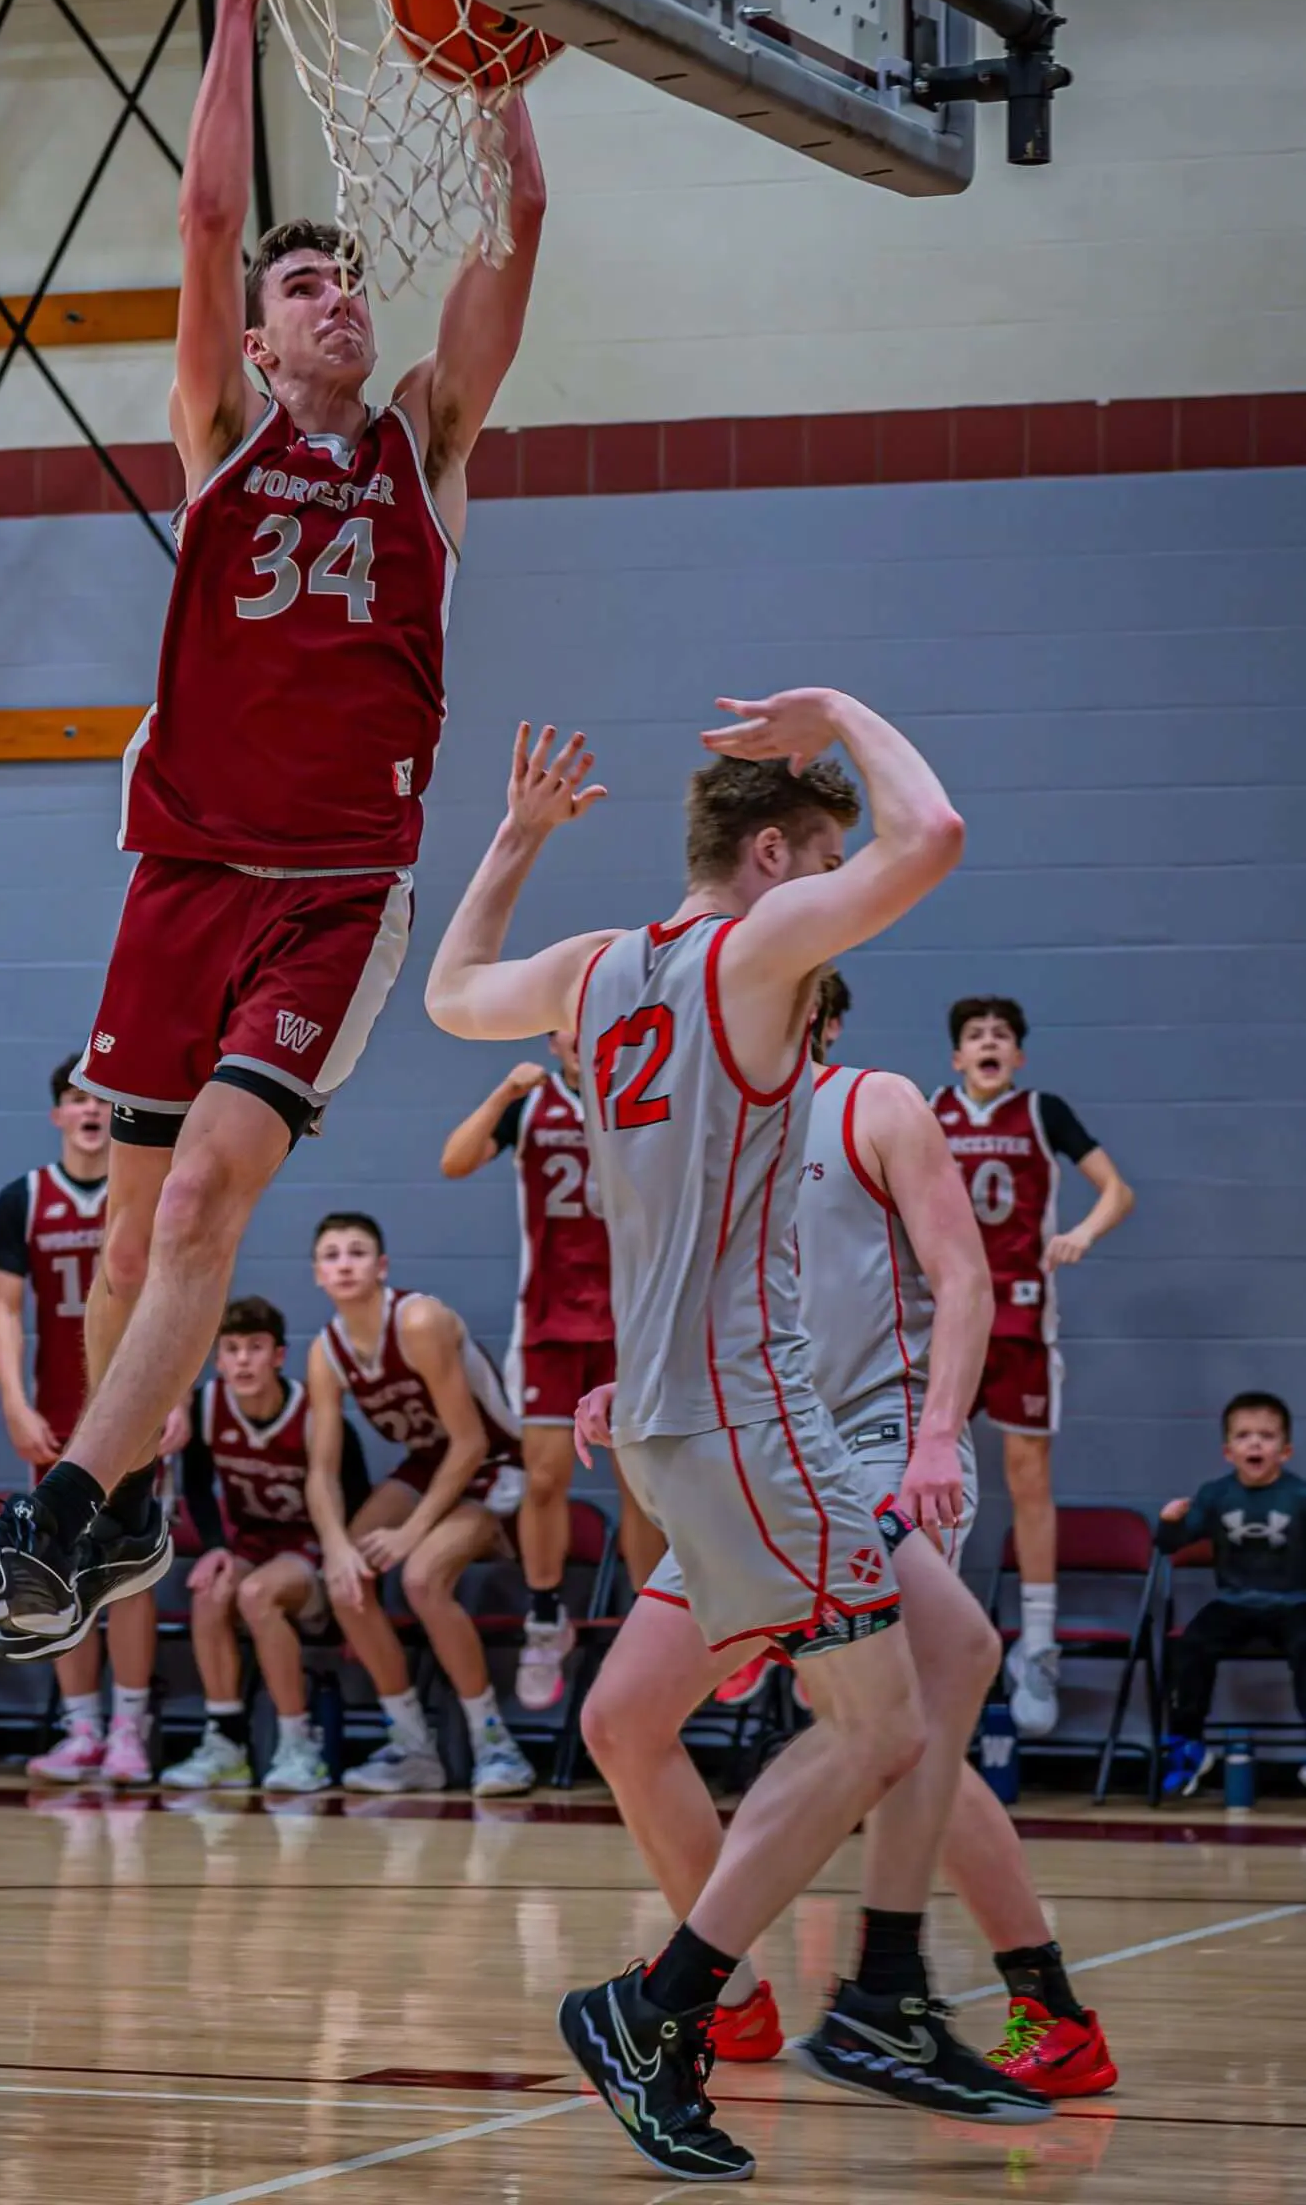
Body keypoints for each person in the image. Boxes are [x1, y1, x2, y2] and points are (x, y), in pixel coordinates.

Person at [0, 0, 547, 1655]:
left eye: (345, 281)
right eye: (303, 286)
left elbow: (519, 227)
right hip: (181, 880)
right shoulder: (221, 442)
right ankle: (119, 1529)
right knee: (125, 1255)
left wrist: (499, 78)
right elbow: (199, 217)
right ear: (259, 346)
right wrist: (241, 1)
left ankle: (58, 1526)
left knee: (196, 1206)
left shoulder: (428, 448)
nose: (336, 296)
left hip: (331, 893)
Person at [425, 705, 1047, 2181]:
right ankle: (662, 2007)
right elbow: (936, 836)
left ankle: (873, 1997)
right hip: (746, 1418)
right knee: (880, 1727)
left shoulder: (590, 972)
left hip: (669, 1424)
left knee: (930, 1666)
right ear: (767, 855)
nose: (835, 888)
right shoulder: (750, 955)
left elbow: (449, 991)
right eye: (817, 858)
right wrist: (834, 711)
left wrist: (512, 842)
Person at [574, 967, 1118, 2103]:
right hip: (752, 1452)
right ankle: (735, 1999)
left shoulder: (873, 1101)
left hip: (874, 1444)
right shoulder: (706, 1132)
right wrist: (631, 1382)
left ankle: (1010, 2001)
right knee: (623, 1721)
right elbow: (708, 1300)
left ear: (810, 1013)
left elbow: (964, 1279)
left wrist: (931, 1440)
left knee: (880, 1717)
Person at [932, 995, 1134, 1739]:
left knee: (1027, 1481)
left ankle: (1038, 1646)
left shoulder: (1042, 1111)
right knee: (929, 1480)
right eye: (975, 1035)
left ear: (1016, 1056)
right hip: (947, 1321)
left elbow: (1117, 1189)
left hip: (1020, 1318)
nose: (989, 1042)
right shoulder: (927, 1112)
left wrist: (1080, 1230)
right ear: (955, 1057)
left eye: (1001, 1035)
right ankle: (928, 1630)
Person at [440, 1034, 661, 1712]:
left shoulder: (645, 1099)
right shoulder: (530, 1104)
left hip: (630, 1324)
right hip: (548, 1322)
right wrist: (504, 1092)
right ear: (554, 1036)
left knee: (643, 1487)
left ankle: (652, 1626)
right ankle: (544, 1618)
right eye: (568, 1023)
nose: (579, 1035)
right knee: (543, 1477)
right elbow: (453, 1162)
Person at [302, 1212, 534, 1797]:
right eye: (332, 1255)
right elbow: (321, 1472)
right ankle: (411, 1745)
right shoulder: (325, 1352)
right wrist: (334, 1547)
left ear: (382, 1268)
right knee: (344, 1578)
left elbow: (472, 1442)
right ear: (316, 1275)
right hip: (429, 1466)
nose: (344, 1263)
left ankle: (495, 1744)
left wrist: (408, 1537)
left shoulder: (419, 1319)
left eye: (357, 1252)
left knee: (423, 1578)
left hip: (492, 1462)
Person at [0, 1057, 153, 1787]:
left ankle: (131, 1730)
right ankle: (81, 1727)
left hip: (136, 1403)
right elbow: (4, 1310)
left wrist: (179, 1402)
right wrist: (14, 1402)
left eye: (100, 1100)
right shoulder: (24, 1198)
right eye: (75, 1099)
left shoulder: (142, 1189)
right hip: (58, 1414)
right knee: (59, 1565)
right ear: (56, 1115)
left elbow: (188, 1296)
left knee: (129, 1568)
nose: (88, 1110)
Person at [166, 1295, 367, 1795]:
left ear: (278, 1356)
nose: (241, 1360)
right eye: (231, 1349)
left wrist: (359, 1595)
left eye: (254, 1348)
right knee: (210, 1591)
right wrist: (214, 1546)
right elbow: (196, 1487)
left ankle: (299, 1744)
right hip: (253, 1545)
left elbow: (359, 1501)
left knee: (256, 1594)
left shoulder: (316, 1415)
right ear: (217, 1360)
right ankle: (226, 1743)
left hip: (312, 1553)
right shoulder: (208, 1406)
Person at [1157, 1392, 1306, 1796]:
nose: (1255, 1443)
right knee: (1191, 1646)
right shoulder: (1215, 1495)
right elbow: (1172, 1545)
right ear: (1228, 1451)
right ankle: (1188, 1746)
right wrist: (1170, 1523)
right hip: (1234, 1603)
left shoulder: (1299, 1496)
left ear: (1285, 1450)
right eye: (1243, 1436)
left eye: (1266, 1436)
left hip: (1294, 1602)